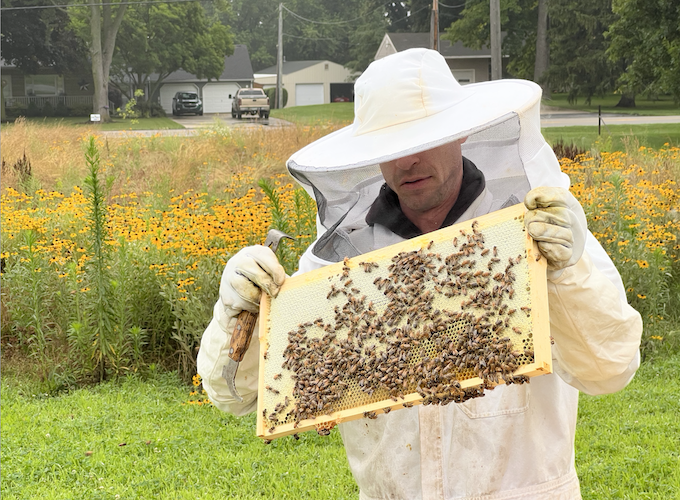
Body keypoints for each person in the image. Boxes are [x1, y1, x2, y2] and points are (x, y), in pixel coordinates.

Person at [198, 49, 642, 499]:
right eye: (390, 149)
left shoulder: (535, 234)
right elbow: (236, 396)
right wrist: (235, 314)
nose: (406, 163)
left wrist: (569, 273)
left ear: (461, 135)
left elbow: (611, 368)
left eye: (422, 141)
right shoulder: (342, 264)